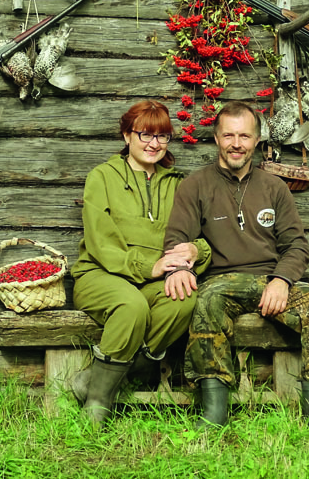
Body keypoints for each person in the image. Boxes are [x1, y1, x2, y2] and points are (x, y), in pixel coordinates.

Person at [163, 101, 309, 429]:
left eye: (245, 136)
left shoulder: (273, 187)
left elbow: (296, 245)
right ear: (217, 138)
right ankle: (214, 414)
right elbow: (177, 239)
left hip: (270, 282)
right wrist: (179, 268)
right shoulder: (195, 185)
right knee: (207, 300)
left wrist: (282, 279)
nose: (237, 143)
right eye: (229, 135)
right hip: (221, 283)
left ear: (258, 140)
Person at [70, 100, 212, 425]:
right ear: (126, 136)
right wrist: (151, 265)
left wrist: (195, 252)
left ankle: (100, 379)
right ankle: (98, 403)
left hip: (152, 281)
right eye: (145, 134)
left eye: (162, 136)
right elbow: (101, 242)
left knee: (183, 301)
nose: (153, 144)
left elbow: (206, 236)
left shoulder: (179, 184)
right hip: (100, 274)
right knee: (130, 306)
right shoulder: (102, 177)